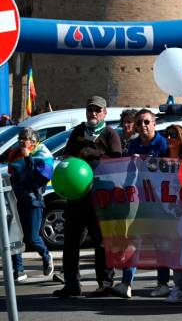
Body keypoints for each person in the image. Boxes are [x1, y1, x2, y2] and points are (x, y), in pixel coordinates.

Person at [54, 96, 120, 298]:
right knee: (71, 242)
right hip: (77, 197)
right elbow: (67, 157)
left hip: (100, 198)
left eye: (97, 110)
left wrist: (92, 155)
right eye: (90, 109)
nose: (93, 113)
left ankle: (105, 283)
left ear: (104, 113)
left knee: (101, 242)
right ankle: (72, 285)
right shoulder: (78, 132)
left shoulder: (110, 134)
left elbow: (117, 161)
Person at [112, 109, 169, 299]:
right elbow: (129, 172)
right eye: (139, 123)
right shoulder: (134, 144)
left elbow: (168, 168)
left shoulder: (162, 143)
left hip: (160, 201)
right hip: (139, 199)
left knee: (160, 243)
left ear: (154, 124)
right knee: (133, 241)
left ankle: (163, 284)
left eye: (146, 122)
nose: (142, 126)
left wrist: (146, 162)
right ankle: (126, 283)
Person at [9, 127, 54, 282]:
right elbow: (11, 172)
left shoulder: (43, 155)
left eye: (25, 139)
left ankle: (46, 257)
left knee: (33, 237)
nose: (22, 141)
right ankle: (18, 270)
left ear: (33, 141)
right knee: (15, 236)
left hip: (34, 200)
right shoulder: (15, 153)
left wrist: (28, 158)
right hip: (16, 199)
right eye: (20, 138)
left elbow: (40, 176)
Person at [163, 125, 182, 303]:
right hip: (168, 213)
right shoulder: (160, 162)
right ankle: (181, 287)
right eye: (166, 135)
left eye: (173, 135)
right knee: (175, 252)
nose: (169, 138)